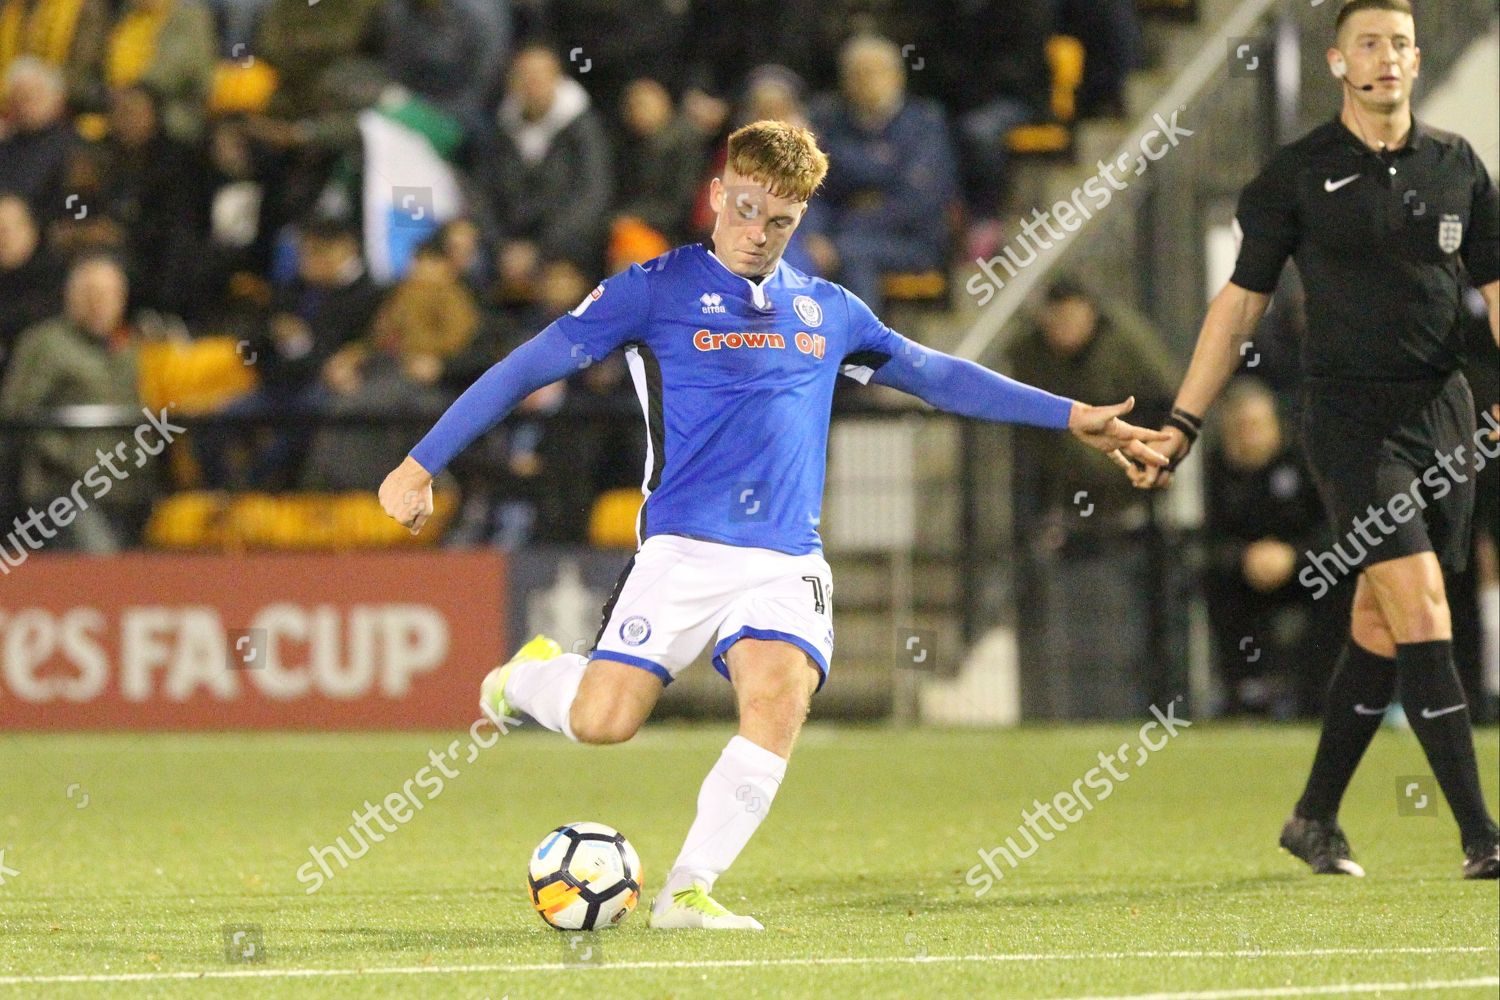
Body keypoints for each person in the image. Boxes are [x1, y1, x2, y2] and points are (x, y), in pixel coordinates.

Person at [379, 120, 1171, 928]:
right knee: (603, 722)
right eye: (749, 209)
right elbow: (524, 367)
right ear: (719, 194)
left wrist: (1072, 415)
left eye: (782, 221)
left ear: (802, 222)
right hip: (683, 549)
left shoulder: (828, 310)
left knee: (777, 697)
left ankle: (687, 889)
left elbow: (938, 377)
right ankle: (531, 677)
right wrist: (421, 461)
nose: (760, 234)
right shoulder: (650, 289)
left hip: (787, 558)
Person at [1129, 0, 1499, 879]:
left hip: (1445, 420)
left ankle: (1314, 818)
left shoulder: (1459, 167)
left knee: (1378, 619)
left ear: (1415, 60)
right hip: (1347, 422)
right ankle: (1483, 837)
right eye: (1368, 44)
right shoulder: (1297, 175)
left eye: (1400, 44)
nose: (1387, 59)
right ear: (1336, 62)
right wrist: (1184, 419)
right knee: (1423, 610)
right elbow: (1239, 305)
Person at [1203, 379, 1340, 718]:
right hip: (1247, 576)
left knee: (1343, 583)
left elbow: (1340, 534)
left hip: (1311, 570)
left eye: (1255, 426)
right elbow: (1210, 540)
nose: (1247, 438)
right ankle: (1246, 691)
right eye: (1238, 429)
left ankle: (1324, 692)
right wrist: (1244, 558)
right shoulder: (1217, 469)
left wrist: (1293, 557)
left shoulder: (1308, 462)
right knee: (1213, 580)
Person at [0, 255, 153, 552]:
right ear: (72, 297)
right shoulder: (45, 344)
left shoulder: (130, 349)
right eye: (92, 294)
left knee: (133, 579)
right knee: (102, 571)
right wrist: (65, 458)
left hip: (128, 492)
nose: (101, 304)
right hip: (65, 492)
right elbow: (17, 412)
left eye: (111, 295)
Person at [803, 35, 957, 314]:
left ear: (897, 77)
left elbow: (917, 201)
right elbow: (816, 191)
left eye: (873, 72)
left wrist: (844, 228)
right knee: (794, 251)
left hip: (913, 241)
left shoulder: (924, 123)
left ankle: (862, 352)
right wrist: (814, 233)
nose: (864, 82)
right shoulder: (832, 123)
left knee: (853, 253)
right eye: (855, 74)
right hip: (840, 234)